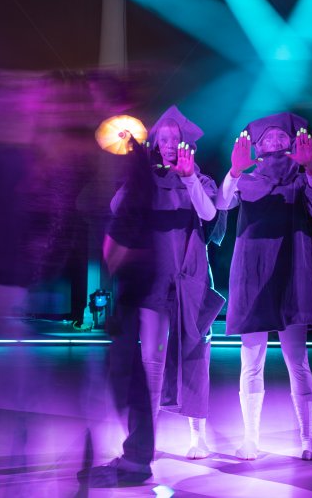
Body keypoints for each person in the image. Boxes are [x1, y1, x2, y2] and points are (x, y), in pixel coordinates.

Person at [79, 106, 224, 487]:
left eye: (176, 138)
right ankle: (149, 441)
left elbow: (209, 213)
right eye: (163, 138)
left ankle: (197, 436)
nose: (170, 143)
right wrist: (138, 172)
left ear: (186, 144)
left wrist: (190, 179)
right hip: (156, 281)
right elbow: (116, 208)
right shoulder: (146, 183)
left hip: (190, 278)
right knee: (152, 362)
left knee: (195, 354)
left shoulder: (199, 180)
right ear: (155, 145)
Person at [217, 113, 312, 460]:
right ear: (256, 146)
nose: (273, 143)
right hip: (252, 275)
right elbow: (221, 205)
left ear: (293, 142)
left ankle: (308, 437)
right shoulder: (246, 180)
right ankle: (250, 438)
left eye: (280, 137)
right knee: (250, 362)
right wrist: (235, 171)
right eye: (266, 139)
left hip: (291, 273)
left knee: (297, 361)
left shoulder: (302, 181)